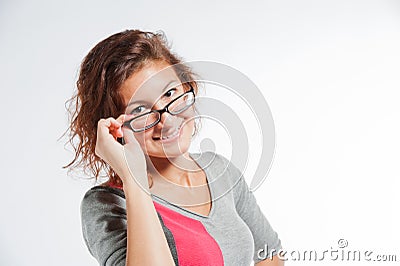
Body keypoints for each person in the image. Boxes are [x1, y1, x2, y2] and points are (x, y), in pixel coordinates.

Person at [64, 29, 283, 266]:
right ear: (114, 127)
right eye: (140, 110)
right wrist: (134, 178)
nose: (166, 121)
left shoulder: (221, 171)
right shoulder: (107, 204)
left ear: (186, 86)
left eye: (170, 93)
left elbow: (269, 252)